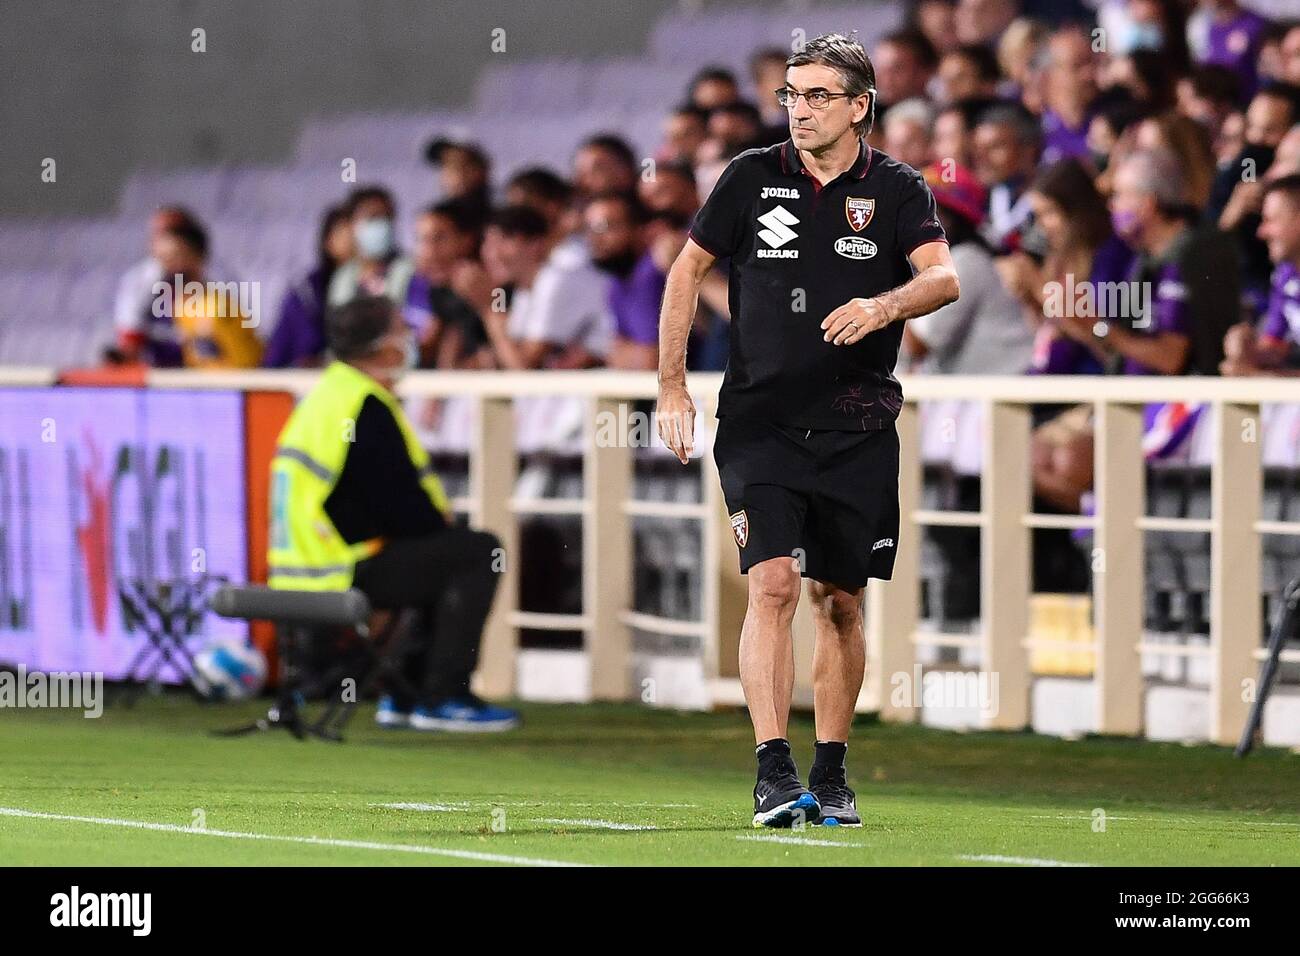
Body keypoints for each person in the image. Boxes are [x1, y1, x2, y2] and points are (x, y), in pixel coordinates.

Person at [655, 33, 958, 829]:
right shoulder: (751, 176)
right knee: (773, 583)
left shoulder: (895, 189)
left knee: (840, 602)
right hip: (760, 422)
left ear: (861, 106)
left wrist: (883, 305)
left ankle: (831, 771)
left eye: (819, 95)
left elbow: (944, 276)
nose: (800, 110)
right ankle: (770, 768)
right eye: (792, 94)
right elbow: (687, 268)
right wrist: (672, 387)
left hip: (858, 426)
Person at [267, 295, 519, 731]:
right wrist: (435, 522)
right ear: (383, 348)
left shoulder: (326, 395)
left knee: (436, 553)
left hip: (300, 570)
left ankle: (405, 696)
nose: (411, 339)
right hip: (338, 571)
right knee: (476, 551)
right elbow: (401, 508)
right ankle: (442, 696)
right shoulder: (363, 404)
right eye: (403, 330)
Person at [1221, 174, 1300, 375]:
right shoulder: (1286, 274)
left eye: (1270, 220)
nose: (1261, 232)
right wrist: (1249, 350)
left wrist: (1258, 377)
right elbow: (1275, 345)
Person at [263, 204, 352, 368]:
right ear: (328, 241)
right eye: (346, 234)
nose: (353, 241)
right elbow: (296, 352)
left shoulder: (374, 285)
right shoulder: (307, 293)